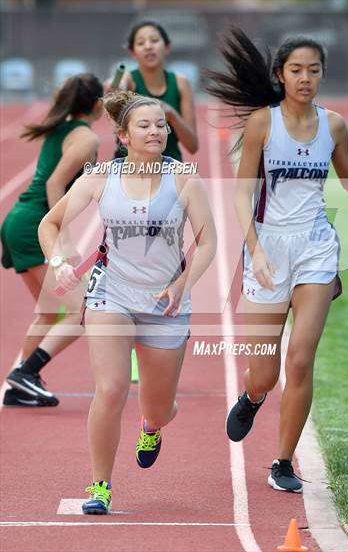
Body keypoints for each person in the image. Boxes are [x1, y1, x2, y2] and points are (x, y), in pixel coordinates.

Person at [207, 28, 348, 493]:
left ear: (321, 75)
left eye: (313, 70)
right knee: (266, 370)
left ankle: (282, 462)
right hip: (268, 249)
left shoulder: (333, 125)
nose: (305, 78)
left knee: (300, 361)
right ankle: (253, 395)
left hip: (316, 248)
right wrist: (255, 251)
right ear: (280, 75)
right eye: (296, 70)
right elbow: (242, 195)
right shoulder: (263, 123)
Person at [38, 91, 217, 514]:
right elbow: (51, 224)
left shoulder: (185, 178)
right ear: (123, 135)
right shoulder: (100, 177)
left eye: (161, 124)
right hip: (111, 294)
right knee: (112, 388)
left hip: (165, 303)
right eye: (145, 125)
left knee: (158, 407)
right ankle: (100, 486)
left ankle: (151, 426)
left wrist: (183, 283)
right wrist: (60, 260)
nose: (156, 131)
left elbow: (208, 242)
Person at [1, 74, 104, 406]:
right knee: (82, 309)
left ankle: (19, 387)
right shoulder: (85, 138)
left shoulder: (63, 129)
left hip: (20, 220)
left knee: (50, 311)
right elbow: (54, 186)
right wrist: (66, 242)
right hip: (33, 224)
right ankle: (25, 374)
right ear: (97, 105)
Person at [108, 20, 198, 161]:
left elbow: (193, 146)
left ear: (167, 47)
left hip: (170, 169)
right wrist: (115, 87)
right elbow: (119, 85)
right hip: (133, 170)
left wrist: (171, 114)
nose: (148, 46)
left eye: (154, 40)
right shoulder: (130, 80)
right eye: (141, 43)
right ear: (132, 52)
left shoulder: (181, 83)